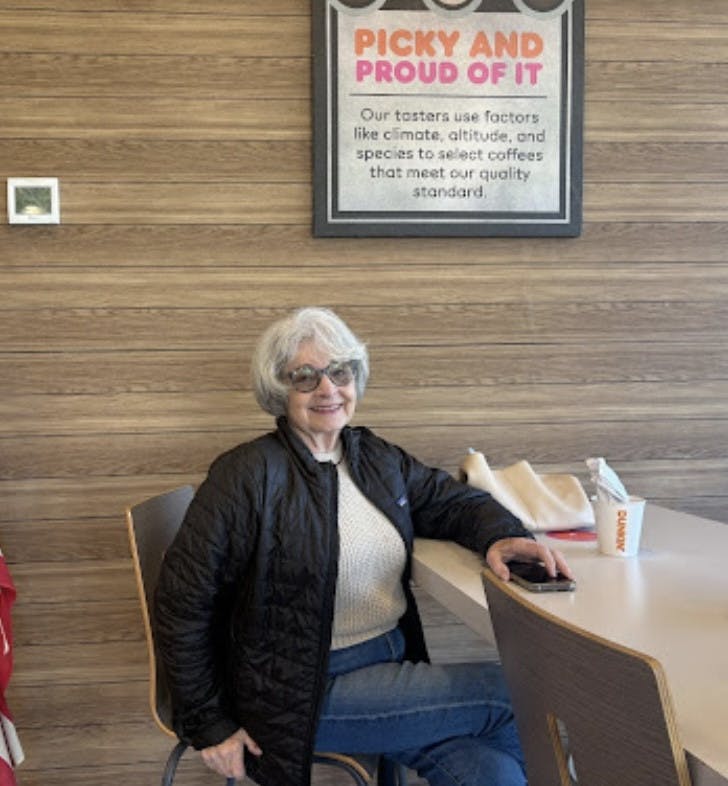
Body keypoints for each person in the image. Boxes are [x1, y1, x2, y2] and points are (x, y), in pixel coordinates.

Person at [154, 307, 572, 786]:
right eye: (305, 377)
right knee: (517, 692)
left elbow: (450, 502)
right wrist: (210, 724)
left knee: (493, 773)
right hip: (301, 691)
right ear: (279, 390)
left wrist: (501, 534)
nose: (328, 389)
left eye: (340, 372)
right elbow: (181, 603)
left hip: (388, 671)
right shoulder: (245, 475)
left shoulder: (373, 457)